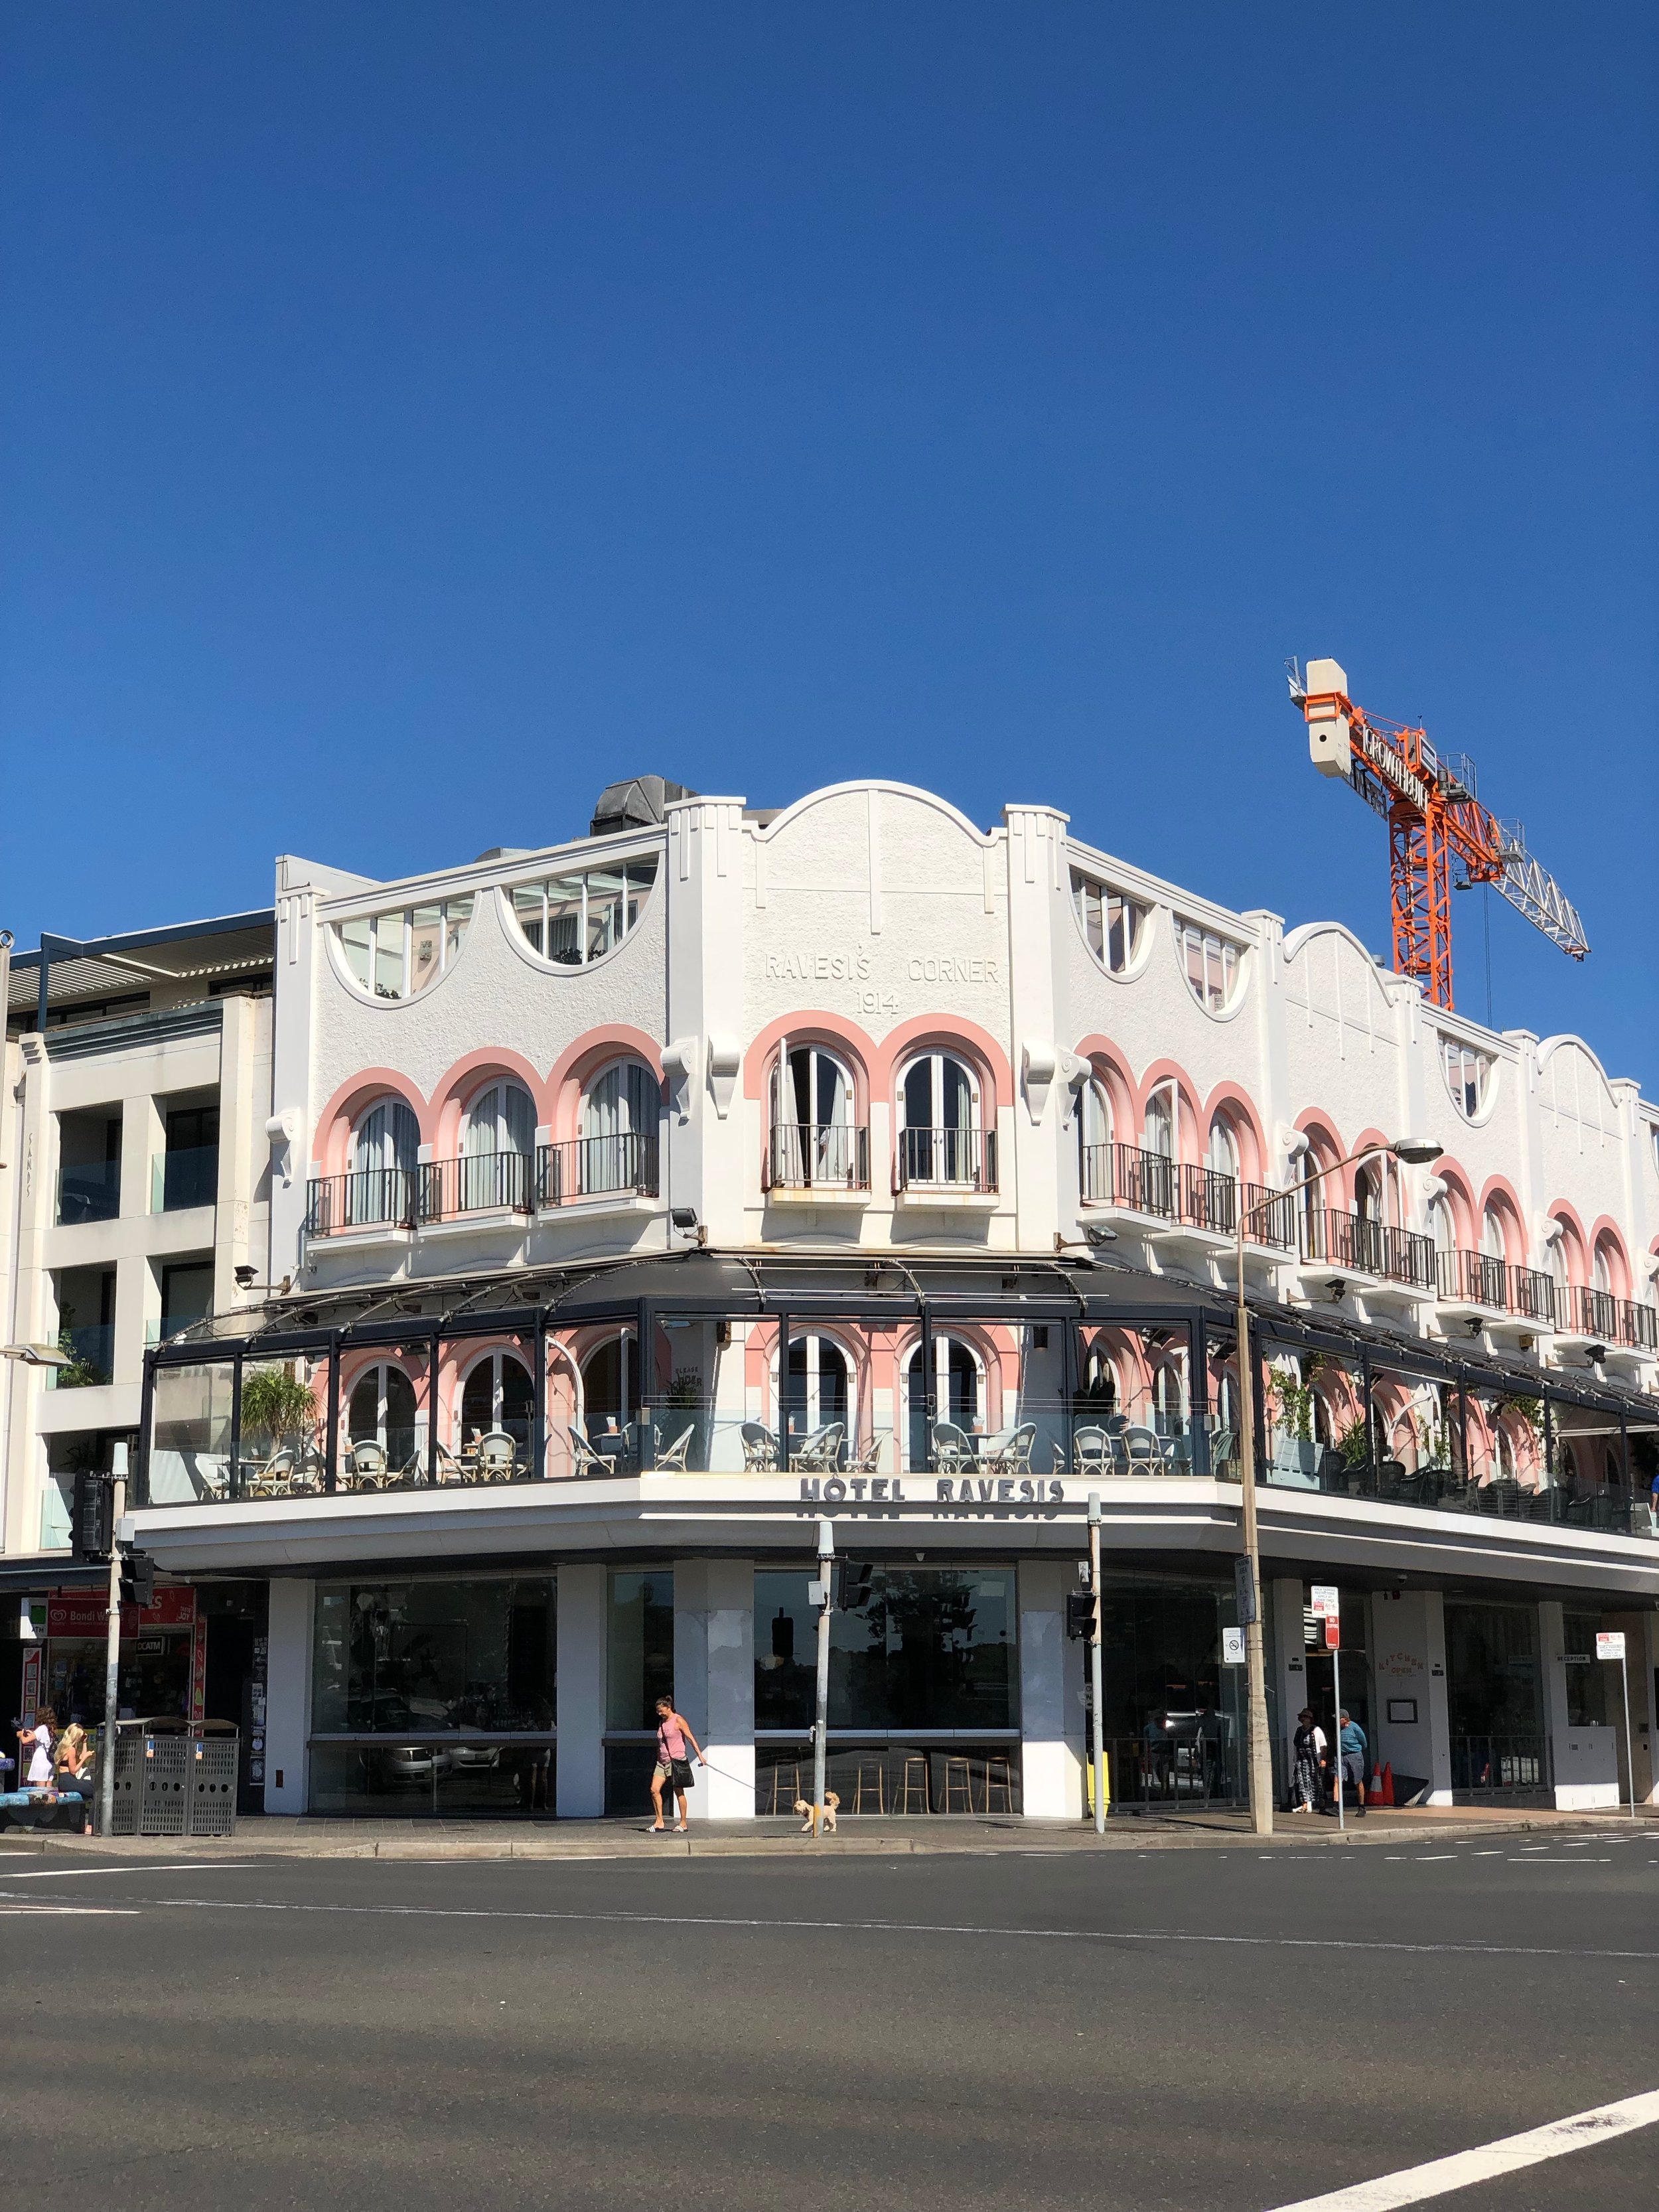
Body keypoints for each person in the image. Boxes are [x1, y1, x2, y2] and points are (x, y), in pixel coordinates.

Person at [648, 1696, 705, 1834]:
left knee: (679, 1792)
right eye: (657, 1711)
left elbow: (690, 1738)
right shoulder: (661, 1723)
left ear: (669, 1708)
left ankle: (683, 1823)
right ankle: (659, 1821)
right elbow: (661, 1744)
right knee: (654, 1789)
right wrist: (659, 1758)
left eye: (661, 1710)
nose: (659, 1713)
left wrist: (700, 1756)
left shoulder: (678, 1720)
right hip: (662, 1762)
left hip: (676, 1761)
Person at [1290, 1707, 1325, 1814]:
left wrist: (1323, 1759)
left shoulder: (1316, 1730)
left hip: (1314, 1761)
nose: (1303, 1719)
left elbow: (1323, 1745)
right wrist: (1295, 1760)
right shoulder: (1299, 1731)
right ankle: (1304, 1805)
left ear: (1310, 1719)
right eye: (1302, 1717)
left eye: (1305, 1717)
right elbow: (1296, 1745)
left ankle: (1322, 1805)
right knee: (1303, 1783)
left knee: (1317, 1783)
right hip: (1302, 1761)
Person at [1337, 1708, 1368, 1816]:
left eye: (1338, 1718)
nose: (1336, 1720)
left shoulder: (1354, 1727)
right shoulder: (1337, 1728)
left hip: (1354, 1755)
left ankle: (1362, 1807)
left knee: (1358, 1781)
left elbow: (1363, 1741)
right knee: (1338, 1779)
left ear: (1345, 1719)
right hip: (1341, 1755)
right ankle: (1337, 1805)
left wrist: (1357, 1749)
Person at [19, 1710, 55, 1798]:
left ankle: (41, 1807)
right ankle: (51, 1809)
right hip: (49, 1760)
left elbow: (25, 1741)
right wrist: (33, 1734)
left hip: (41, 1759)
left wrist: (20, 1735)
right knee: (48, 1785)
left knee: (40, 1788)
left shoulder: (42, 1728)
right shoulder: (52, 1729)